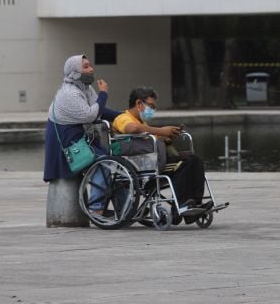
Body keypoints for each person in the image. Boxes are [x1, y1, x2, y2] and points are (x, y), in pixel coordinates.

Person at [112, 87, 210, 217]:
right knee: (184, 163)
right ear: (138, 104)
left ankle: (195, 202)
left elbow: (153, 139)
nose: (152, 110)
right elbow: (132, 128)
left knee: (195, 159)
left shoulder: (143, 123)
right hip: (143, 165)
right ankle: (180, 206)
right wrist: (161, 131)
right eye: (151, 106)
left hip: (154, 159)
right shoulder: (123, 118)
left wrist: (167, 138)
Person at [43, 55, 121, 214]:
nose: (91, 69)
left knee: (117, 162)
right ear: (75, 72)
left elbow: (100, 110)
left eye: (90, 65)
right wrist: (104, 94)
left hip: (80, 139)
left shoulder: (85, 87)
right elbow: (90, 115)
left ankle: (124, 208)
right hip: (68, 144)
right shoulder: (70, 93)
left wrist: (122, 115)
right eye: (85, 66)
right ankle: (96, 208)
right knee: (103, 163)